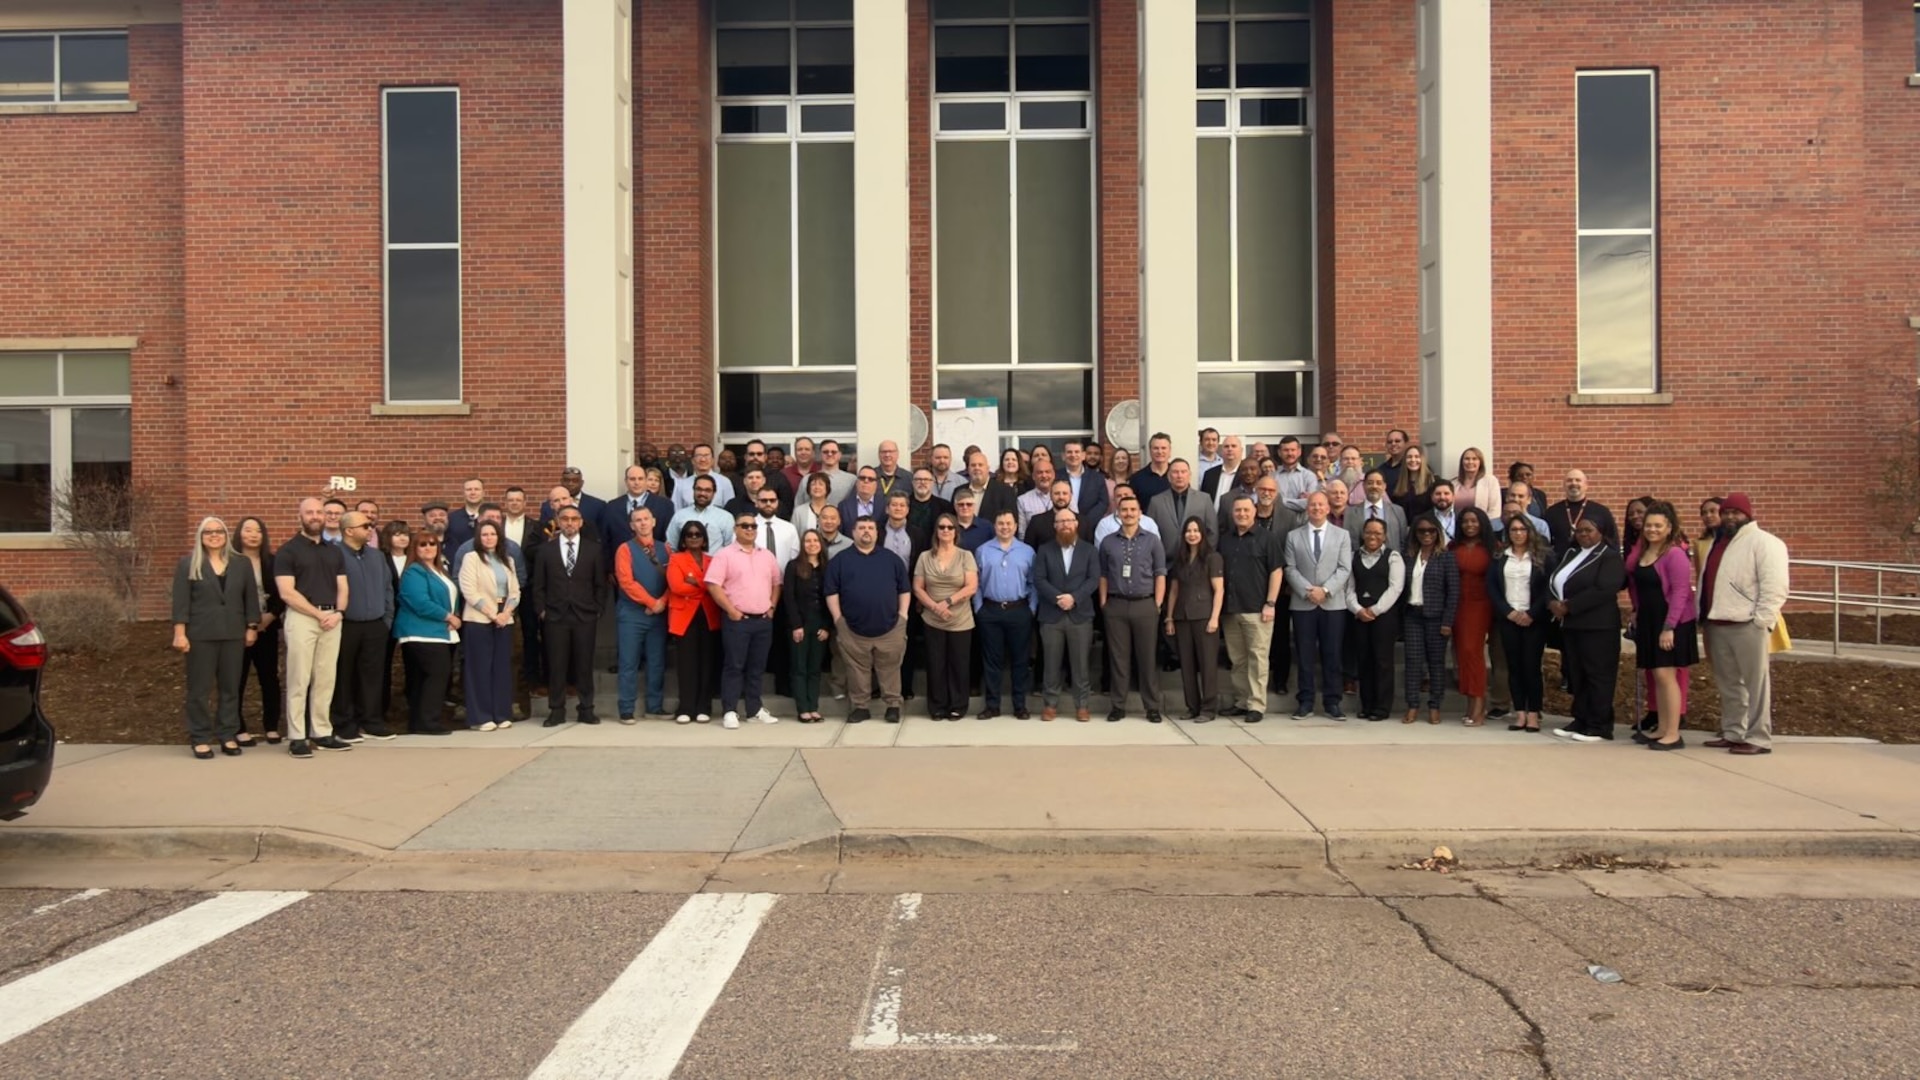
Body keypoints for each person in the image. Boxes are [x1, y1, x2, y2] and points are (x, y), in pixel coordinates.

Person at [1699, 492, 1789, 755]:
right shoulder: (1719, 543)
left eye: (1735, 513)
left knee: (1756, 684)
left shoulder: (1765, 543)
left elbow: (1775, 586)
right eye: (1726, 512)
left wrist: (1762, 620)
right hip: (1718, 623)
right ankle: (1734, 732)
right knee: (1729, 684)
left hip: (1747, 625)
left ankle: (1759, 737)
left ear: (1748, 515)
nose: (1729, 517)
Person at [171, 516, 261, 759]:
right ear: (201, 536)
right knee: (199, 689)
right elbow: (181, 601)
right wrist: (180, 633)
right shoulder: (188, 564)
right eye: (208, 532)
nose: (214, 535)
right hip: (200, 635)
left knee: (230, 687)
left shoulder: (240, 564)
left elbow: (250, 598)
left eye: (219, 531)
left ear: (225, 535)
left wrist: (252, 626)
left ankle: (227, 734)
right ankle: (200, 737)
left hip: (233, 634)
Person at [275, 497, 353, 757]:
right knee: (299, 678)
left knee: (325, 678)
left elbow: (342, 586)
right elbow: (287, 592)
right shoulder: (288, 551)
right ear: (300, 516)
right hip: (302, 618)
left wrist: (339, 613)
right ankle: (297, 736)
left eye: (319, 512)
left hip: (332, 619)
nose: (315, 516)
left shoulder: (334, 551)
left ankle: (321, 731)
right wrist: (317, 614)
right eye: (309, 512)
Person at [825, 515, 913, 723]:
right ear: (853, 532)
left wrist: (903, 616)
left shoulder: (891, 559)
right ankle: (860, 707)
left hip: (891, 627)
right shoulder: (840, 560)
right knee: (857, 671)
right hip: (852, 629)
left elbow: (904, 590)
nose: (866, 531)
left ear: (877, 532)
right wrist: (838, 620)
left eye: (870, 528)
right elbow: (831, 592)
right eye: (862, 527)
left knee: (890, 669)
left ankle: (892, 705)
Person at [1625, 500, 1697, 751]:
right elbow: (1637, 585)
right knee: (1657, 675)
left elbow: (1680, 592)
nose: (1652, 529)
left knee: (1667, 675)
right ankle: (1664, 728)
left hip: (1671, 622)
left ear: (1669, 528)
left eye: (1658, 525)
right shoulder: (1644, 552)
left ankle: (1674, 733)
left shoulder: (1674, 554)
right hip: (1648, 620)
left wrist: (1669, 627)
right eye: (1648, 525)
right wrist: (1636, 611)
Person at [1548, 517, 1627, 742]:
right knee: (1577, 674)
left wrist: (1569, 606)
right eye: (1579, 531)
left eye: (1588, 530)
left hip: (1598, 626)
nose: (1583, 534)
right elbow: (1553, 581)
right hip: (1572, 626)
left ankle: (1599, 724)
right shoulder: (1571, 554)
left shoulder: (1609, 557)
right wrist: (1552, 602)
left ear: (1600, 532)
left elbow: (1605, 589)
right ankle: (1580, 719)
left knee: (1598, 675)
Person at [705, 509, 783, 729]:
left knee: (757, 668)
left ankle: (754, 709)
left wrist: (772, 606)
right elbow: (713, 584)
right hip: (738, 620)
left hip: (762, 620)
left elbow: (777, 582)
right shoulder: (725, 555)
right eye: (745, 526)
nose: (750, 529)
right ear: (735, 529)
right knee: (734, 666)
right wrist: (730, 610)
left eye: (753, 526)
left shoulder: (766, 555)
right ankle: (730, 710)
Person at [529, 505, 603, 726]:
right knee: (556, 665)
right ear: (558, 522)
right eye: (565, 519)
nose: (570, 523)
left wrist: (597, 608)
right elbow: (538, 584)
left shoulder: (594, 550)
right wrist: (541, 609)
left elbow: (600, 583)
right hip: (555, 615)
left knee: (584, 664)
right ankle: (557, 710)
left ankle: (586, 708)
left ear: (581, 522)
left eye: (574, 519)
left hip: (585, 615)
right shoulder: (546, 550)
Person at [1095, 493, 1166, 722]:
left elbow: (1160, 573)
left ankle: (1152, 707)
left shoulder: (1152, 540)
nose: (1128, 514)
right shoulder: (1108, 542)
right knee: (1119, 658)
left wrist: (1157, 603)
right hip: (1116, 605)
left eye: (1132, 510)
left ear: (1140, 513)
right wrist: (1104, 603)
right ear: (1118, 513)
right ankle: (1118, 705)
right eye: (1124, 510)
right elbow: (1103, 574)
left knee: (1146, 658)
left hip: (1145, 604)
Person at [328, 510, 395, 742]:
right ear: (348, 530)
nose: (370, 529)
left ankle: (372, 722)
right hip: (346, 625)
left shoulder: (377, 556)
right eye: (365, 525)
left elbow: (388, 588)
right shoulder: (334, 555)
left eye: (371, 525)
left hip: (375, 626)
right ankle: (345, 724)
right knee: (344, 676)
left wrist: (386, 620)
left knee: (372, 676)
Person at [1218, 494, 1287, 723]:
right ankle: (1241, 701)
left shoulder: (1267, 538)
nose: (1242, 514)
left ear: (1254, 511)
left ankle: (1257, 704)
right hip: (1230, 609)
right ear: (1232, 513)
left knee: (1258, 657)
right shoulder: (1225, 540)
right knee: (1237, 659)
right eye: (1238, 510)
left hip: (1257, 609)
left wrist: (1270, 603)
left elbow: (1276, 571)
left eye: (1246, 510)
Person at [1286, 491, 1353, 720]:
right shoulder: (1293, 536)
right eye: (1312, 505)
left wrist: (1324, 590)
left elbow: (1344, 568)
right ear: (1307, 508)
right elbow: (1290, 568)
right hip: (1303, 604)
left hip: (1332, 604)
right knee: (1305, 655)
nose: (1316, 508)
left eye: (1320, 505)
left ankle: (1332, 702)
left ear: (1328, 508)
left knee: (1332, 654)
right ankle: (1305, 702)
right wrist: (1309, 591)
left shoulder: (1342, 535)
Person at [1034, 508, 1099, 721]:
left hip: (1080, 615)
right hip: (1051, 615)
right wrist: (1058, 598)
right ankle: (1050, 704)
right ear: (1055, 526)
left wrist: (1074, 598)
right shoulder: (1044, 550)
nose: (1065, 525)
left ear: (1076, 523)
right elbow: (1039, 579)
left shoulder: (1089, 550)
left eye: (1069, 520)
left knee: (1081, 664)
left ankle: (1082, 706)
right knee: (1051, 664)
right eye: (1060, 521)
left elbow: (1093, 579)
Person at [913, 513, 979, 721]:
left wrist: (947, 602)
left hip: (960, 619)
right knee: (935, 663)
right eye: (942, 527)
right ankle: (937, 706)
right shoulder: (925, 557)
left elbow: (972, 586)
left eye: (950, 528)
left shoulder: (965, 556)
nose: (946, 531)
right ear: (936, 531)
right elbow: (917, 587)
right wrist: (934, 607)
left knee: (958, 664)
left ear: (956, 532)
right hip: (932, 618)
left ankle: (958, 705)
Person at [1489, 514, 1551, 733]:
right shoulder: (1500, 556)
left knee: (1531, 667)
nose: (1517, 533)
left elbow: (1547, 589)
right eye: (1513, 530)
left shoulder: (1541, 556)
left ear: (1530, 532)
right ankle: (1520, 714)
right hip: (1509, 618)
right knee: (1514, 667)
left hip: (1533, 619)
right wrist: (1508, 612)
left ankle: (1534, 714)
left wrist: (1532, 613)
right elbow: (1493, 588)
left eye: (1522, 529)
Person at [393, 532, 459, 737]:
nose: (428, 547)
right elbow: (419, 602)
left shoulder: (440, 571)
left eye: (432, 544)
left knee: (423, 678)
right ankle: (429, 721)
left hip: (438, 632)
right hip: (420, 632)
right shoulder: (414, 571)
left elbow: (449, 597)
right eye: (422, 545)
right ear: (415, 548)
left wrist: (453, 616)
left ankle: (418, 722)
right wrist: (448, 616)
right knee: (437, 674)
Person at [456, 519, 519, 731]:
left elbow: (515, 591)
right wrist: (493, 614)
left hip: (504, 620)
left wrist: (506, 613)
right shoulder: (471, 558)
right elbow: (469, 591)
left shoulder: (507, 560)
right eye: (484, 534)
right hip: (480, 620)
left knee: (501, 668)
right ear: (478, 538)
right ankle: (480, 717)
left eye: (492, 534)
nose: (489, 538)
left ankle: (501, 713)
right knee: (479, 669)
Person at [973, 510, 1036, 719]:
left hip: (1019, 611)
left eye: (1009, 524)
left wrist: (1031, 609)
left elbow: (1033, 583)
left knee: (1020, 660)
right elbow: (977, 583)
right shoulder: (983, 550)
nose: (1005, 527)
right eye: (1001, 523)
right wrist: (979, 608)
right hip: (990, 611)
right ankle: (992, 705)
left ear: (1016, 526)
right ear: (995, 526)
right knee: (992, 661)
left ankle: (1020, 705)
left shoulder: (1027, 552)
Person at [613, 506, 671, 723]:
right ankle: (626, 708)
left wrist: (662, 602)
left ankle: (654, 706)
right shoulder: (625, 549)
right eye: (638, 520)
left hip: (658, 614)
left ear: (654, 521)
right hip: (632, 614)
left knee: (657, 661)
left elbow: (673, 580)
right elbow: (626, 582)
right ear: (632, 525)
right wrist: (650, 602)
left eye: (646, 519)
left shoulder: (665, 548)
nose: (643, 523)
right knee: (629, 662)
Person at [1165, 516, 1224, 722]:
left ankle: (1208, 709)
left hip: (1204, 616)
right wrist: (1170, 618)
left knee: (1207, 664)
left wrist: (1215, 618)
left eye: (1196, 531)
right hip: (1182, 616)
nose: (1192, 534)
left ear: (1202, 534)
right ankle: (1192, 706)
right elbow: (1173, 591)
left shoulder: (1212, 557)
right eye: (1188, 531)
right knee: (1187, 664)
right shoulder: (1180, 559)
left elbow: (1219, 590)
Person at [1401, 518, 1458, 725]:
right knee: (1413, 662)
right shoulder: (1409, 557)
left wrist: (1448, 621)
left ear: (1437, 533)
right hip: (1412, 615)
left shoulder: (1446, 558)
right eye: (1422, 531)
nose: (1426, 535)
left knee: (1436, 663)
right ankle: (1413, 705)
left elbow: (1453, 592)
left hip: (1436, 617)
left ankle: (1435, 706)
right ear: (1415, 534)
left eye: (1431, 531)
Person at [1347, 518, 1404, 721]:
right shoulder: (1353, 557)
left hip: (1384, 617)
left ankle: (1381, 707)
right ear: (1363, 534)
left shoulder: (1393, 557)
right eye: (1369, 532)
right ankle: (1367, 705)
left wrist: (1375, 610)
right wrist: (1358, 609)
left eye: (1378, 533)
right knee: (1364, 660)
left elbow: (1395, 587)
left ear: (1385, 536)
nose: (1373, 536)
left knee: (1383, 661)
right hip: (1360, 616)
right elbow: (1349, 588)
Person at [232, 516, 283, 745]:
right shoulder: (229, 562)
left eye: (258, 531)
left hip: (267, 627)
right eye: (248, 530)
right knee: (237, 678)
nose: (253, 535)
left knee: (269, 678)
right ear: (238, 534)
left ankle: (271, 726)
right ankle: (238, 728)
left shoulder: (272, 562)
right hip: (237, 630)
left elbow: (282, 594)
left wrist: (270, 617)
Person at [666, 522, 721, 724]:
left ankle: (703, 707)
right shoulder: (676, 559)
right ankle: (686, 707)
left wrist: (694, 581)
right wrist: (704, 585)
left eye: (698, 534)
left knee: (707, 663)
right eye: (689, 534)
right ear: (683, 539)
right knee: (687, 664)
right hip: (685, 617)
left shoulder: (712, 560)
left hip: (708, 615)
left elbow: (717, 585)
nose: (694, 537)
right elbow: (677, 586)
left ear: (704, 538)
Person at [1449, 507, 1496, 725]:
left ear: (1482, 523)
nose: (1469, 525)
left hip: (1479, 604)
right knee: (1461, 655)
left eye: (1474, 521)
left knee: (1472, 652)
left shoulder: (1491, 548)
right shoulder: (1453, 547)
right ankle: (1469, 702)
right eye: (1465, 521)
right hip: (1456, 605)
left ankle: (1479, 704)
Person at [783, 529, 834, 723]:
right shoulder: (793, 566)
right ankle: (803, 708)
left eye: (815, 540)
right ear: (802, 545)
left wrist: (827, 626)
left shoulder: (827, 567)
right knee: (799, 667)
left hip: (820, 625)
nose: (811, 544)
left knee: (814, 668)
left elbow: (830, 597)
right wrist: (796, 625)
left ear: (821, 543)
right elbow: (789, 597)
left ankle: (814, 707)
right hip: (799, 625)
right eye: (807, 541)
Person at [1545, 469, 1618, 556]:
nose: (1573, 483)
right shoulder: (1551, 512)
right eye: (1569, 480)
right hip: (1560, 564)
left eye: (1578, 480)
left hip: (1592, 564)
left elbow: (1612, 542)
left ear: (1586, 485)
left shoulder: (1602, 512)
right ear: (1564, 486)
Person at [1147, 459, 1217, 545]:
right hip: (1165, 556)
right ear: (1169, 476)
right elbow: (1149, 533)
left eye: (1183, 472)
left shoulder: (1204, 499)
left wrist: (1206, 555)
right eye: (1175, 472)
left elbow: (1212, 531)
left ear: (1189, 475)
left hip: (1196, 556)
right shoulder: (1156, 502)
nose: (1179, 476)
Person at [605, 464, 673, 550]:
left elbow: (669, 538)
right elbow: (606, 540)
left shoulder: (665, 505)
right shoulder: (612, 507)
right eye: (632, 479)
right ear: (626, 481)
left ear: (645, 481)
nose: (636, 483)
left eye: (640, 479)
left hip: (654, 560)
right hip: (620, 560)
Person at [666, 474, 734, 552]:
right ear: (693, 490)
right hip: (685, 563)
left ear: (714, 493)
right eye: (699, 489)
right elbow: (671, 546)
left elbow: (730, 548)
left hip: (715, 563)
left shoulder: (725, 517)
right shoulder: (679, 516)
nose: (702, 493)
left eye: (707, 490)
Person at [1346, 470, 1407, 553]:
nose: (1374, 486)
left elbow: (1403, 541)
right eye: (1370, 483)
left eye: (1379, 483)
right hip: (1359, 562)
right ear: (1363, 485)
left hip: (1390, 562)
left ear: (1384, 486)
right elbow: (1349, 543)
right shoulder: (1351, 513)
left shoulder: (1397, 511)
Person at [671, 445, 736, 511]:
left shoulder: (724, 482)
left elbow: (731, 509)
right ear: (692, 461)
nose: (703, 459)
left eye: (706, 455)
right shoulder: (681, 485)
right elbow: (676, 511)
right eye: (699, 456)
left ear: (713, 460)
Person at [1060, 439, 1110, 523]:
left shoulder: (1097, 478)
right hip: (1062, 524)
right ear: (1063, 456)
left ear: (1083, 456)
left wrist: (1086, 522)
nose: (1073, 455)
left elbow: (1103, 503)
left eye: (1077, 452)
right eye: (1069, 452)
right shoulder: (1055, 476)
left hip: (1089, 526)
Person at [1390, 445, 1437, 520]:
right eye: (1409, 457)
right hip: (1404, 528)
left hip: (1425, 528)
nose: (1413, 460)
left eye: (1417, 456)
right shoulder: (1397, 483)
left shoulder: (1432, 481)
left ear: (1422, 459)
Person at [1452, 447, 1499, 516]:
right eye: (1467, 459)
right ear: (1462, 462)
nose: (1470, 462)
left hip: (1482, 525)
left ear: (1480, 462)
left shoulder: (1490, 481)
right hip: (1457, 525)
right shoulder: (1453, 483)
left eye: (1474, 459)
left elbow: (1495, 509)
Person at [906, 467, 955, 534]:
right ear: (913, 483)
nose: (922, 482)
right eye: (918, 479)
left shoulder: (945, 507)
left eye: (926, 479)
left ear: (932, 483)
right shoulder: (904, 504)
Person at [1130, 433, 1173, 505]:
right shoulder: (1137, 478)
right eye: (1156, 448)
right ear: (1150, 450)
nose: (1160, 452)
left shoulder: (1178, 476)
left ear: (1169, 451)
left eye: (1163, 448)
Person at [444, 477, 485, 552]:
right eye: (469, 489)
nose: (473, 492)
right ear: (463, 493)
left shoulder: (491, 517)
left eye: (477, 489)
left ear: (483, 493)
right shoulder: (452, 519)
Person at [792, 471, 835, 535]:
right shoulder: (799, 512)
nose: (817, 487)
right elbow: (793, 535)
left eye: (821, 484)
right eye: (813, 484)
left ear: (827, 488)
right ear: (809, 488)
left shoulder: (834, 511)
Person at [1378, 429, 1411, 494]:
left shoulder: (1413, 466)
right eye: (1390, 442)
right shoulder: (1381, 469)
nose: (1393, 444)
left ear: (1406, 443)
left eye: (1397, 441)